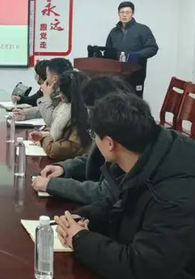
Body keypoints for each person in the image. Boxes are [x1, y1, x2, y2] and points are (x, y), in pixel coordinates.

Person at [54, 93, 195, 279]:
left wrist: (81, 239)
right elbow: (116, 203)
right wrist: (83, 218)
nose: (94, 139)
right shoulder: (145, 163)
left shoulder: (172, 197)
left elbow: (142, 270)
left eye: (94, 134)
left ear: (110, 143)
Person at [31, 75, 133, 204]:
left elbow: (105, 193)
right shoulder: (114, 129)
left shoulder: (128, 144)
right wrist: (64, 168)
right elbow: (94, 158)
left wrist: (52, 185)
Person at [28, 71, 90, 161]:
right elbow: (59, 131)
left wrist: (43, 139)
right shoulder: (66, 107)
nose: (60, 95)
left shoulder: (82, 115)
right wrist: (43, 134)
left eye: (62, 91)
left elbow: (55, 150)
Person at [105, 1, 158, 98]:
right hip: (116, 76)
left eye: (128, 12)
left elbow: (152, 48)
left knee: (134, 102)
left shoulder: (143, 29)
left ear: (132, 13)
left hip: (136, 74)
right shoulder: (113, 32)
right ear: (118, 14)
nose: (124, 15)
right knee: (116, 101)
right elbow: (108, 52)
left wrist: (134, 56)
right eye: (122, 12)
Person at [12, 58, 73, 123]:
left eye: (47, 75)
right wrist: (26, 113)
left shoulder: (66, 95)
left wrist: (46, 97)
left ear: (55, 79)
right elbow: (48, 110)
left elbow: (52, 122)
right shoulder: (59, 91)